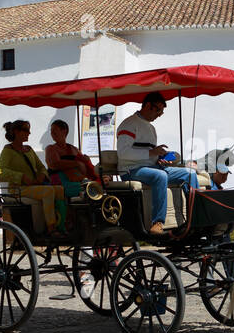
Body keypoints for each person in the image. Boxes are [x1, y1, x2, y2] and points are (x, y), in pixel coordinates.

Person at [116, 92, 198, 235]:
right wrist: (152, 154)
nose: (160, 115)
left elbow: (148, 154)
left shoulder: (150, 128)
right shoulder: (128, 124)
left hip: (150, 167)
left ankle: (196, 217)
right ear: (148, 105)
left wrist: (160, 157)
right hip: (130, 170)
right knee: (160, 176)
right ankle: (158, 222)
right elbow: (123, 153)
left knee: (189, 174)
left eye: (162, 112)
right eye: (158, 110)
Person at [0, 120, 64, 234]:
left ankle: (62, 224)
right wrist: (21, 176)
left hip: (34, 186)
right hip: (18, 189)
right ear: (16, 132)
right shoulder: (8, 151)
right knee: (47, 191)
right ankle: (51, 227)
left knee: (60, 189)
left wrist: (42, 175)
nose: (29, 133)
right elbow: (0, 172)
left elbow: (42, 167)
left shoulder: (29, 149)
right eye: (26, 130)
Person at [44, 120, 100, 199]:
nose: (52, 133)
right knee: (87, 189)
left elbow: (85, 167)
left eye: (54, 130)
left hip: (76, 179)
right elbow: (54, 164)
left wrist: (86, 160)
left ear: (64, 131)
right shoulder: (50, 148)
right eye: (51, 131)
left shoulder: (74, 149)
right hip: (59, 179)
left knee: (94, 186)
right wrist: (76, 163)